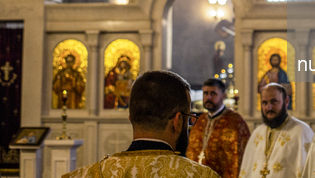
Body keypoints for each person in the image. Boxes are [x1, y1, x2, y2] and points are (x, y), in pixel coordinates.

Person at [63, 70, 219, 178]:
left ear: (131, 118)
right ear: (177, 122)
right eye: (188, 117)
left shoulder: (86, 175)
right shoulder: (201, 175)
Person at [239, 83, 313, 178]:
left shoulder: (301, 132)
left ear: (286, 102)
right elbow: (246, 171)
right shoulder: (257, 133)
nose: (268, 108)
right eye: (264, 103)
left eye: (274, 102)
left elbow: (307, 172)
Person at [186, 78, 250, 178]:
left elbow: (239, 157)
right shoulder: (201, 120)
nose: (208, 97)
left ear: (223, 96)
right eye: (205, 93)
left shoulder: (235, 122)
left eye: (213, 93)